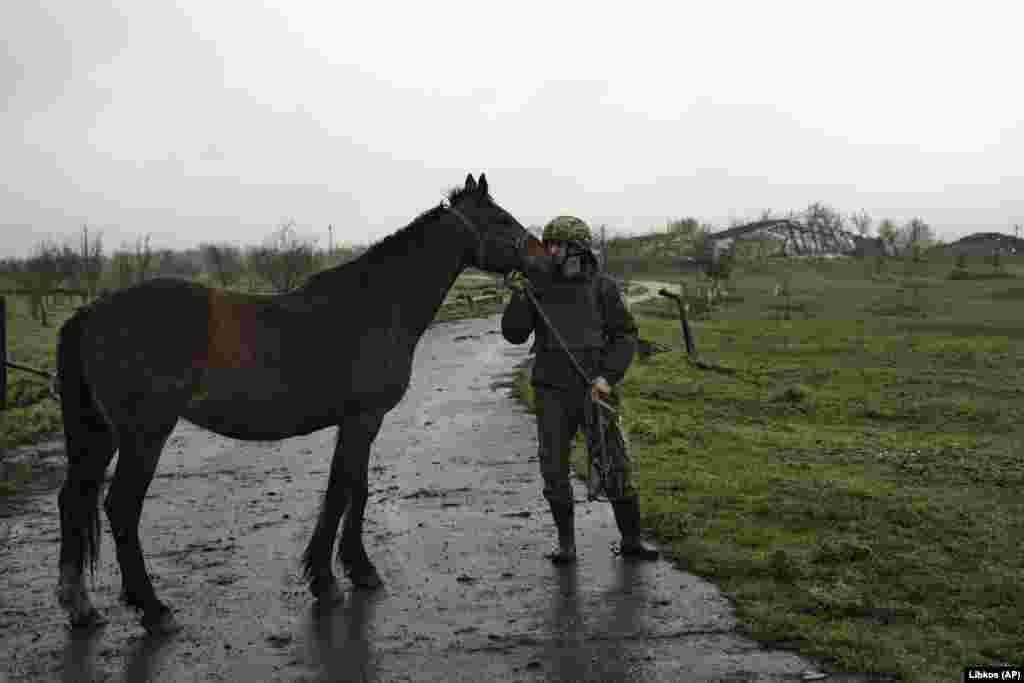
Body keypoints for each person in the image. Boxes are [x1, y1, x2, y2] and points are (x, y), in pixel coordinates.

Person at [501, 216, 658, 563]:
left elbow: (625, 335)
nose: (549, 251)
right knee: (553, 468)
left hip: (596, 389)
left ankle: (631, 539)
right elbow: (514, 334)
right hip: (551, 391)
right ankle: (566, 544)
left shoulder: (603, 287)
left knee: (614, 460)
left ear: (578, 248)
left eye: (556, 244)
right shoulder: (536, 286)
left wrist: (608, 377)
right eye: (548, 244)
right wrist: (518, 298)